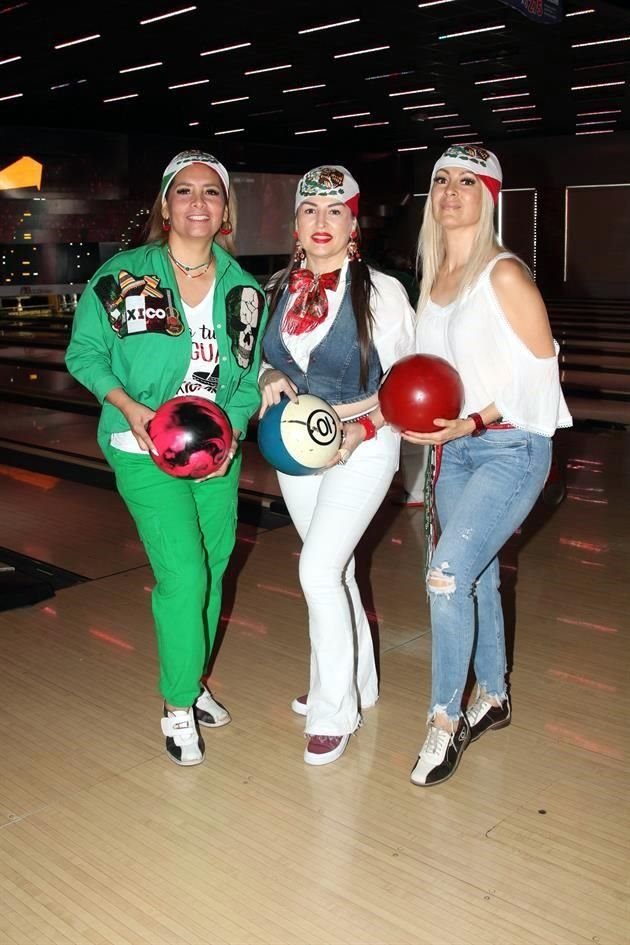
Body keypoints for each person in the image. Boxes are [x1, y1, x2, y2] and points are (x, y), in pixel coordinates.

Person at [65, 149, 268, 766]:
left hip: (215, 451)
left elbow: (248, 379)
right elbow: (84, 354)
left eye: (211, 192)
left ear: (225, 208)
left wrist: (230, 428)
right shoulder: (125, 276)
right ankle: (178, 703)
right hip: (142, 446)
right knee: (184, 574)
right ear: (165, 203)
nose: (198, 202)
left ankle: (193, 678)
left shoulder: (244, 289)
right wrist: (130, 408)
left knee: (213, 567)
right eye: (185, 191)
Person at [404, 144, 572, 787]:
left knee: (446, 576)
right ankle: (493, 696)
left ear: (490, 196)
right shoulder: (435, 275)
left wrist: (472, 420)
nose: (451, 190)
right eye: (441, 179)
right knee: (476, 580)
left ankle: (443, 721)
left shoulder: (503, 273)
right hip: (456, 451)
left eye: (467, 181)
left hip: (511, 446)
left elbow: (542, 375)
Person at [259, 165, 416, 766]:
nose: (320, 222)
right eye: (309, 211)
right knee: (339, 571)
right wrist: (270, 373)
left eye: (334, 211)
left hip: (362, 440)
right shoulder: (279, 288)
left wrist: (363, 429)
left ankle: (334, 711)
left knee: (318, 572)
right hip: (296, 447)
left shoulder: (382, 292)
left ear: (354, 223)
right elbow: (263, 362)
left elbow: (404, 383)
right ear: (295, 223)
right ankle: (358, 683)